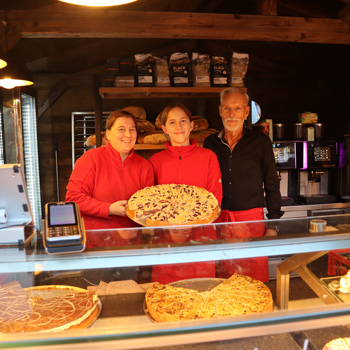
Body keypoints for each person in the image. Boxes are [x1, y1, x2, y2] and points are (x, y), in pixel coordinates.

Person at [203, 87, 284, 282]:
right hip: (219, 221)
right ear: (220, 111)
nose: (232, 115)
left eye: (237, 109)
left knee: (253, 281)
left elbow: (272, 184)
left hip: (252, 224)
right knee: (222, 281)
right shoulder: (209, 143)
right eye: (227, 109)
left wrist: (273, 224)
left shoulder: (261, 142)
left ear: (246, 112)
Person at [149, 102, 223, 284]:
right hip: (166, 241)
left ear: (191, 126)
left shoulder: (208, 157)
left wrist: (192, 222)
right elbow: (151, 203)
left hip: (201, 238)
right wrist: (170, 225)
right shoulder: (155, 161)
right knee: (167, 297)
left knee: (201, 292)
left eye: (183, 121)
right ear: (164, 129)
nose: (178, 126)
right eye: (172, 122)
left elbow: (215, 198)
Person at [66, 109, 154, 246]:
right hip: (95, 244)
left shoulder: (145, 167)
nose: (128, 135)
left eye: (132, 130)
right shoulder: (91, 159)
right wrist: (108, 209)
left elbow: (148, 207)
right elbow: (73, 198)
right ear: (108, 134)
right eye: (121, 129)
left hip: (131, 245)